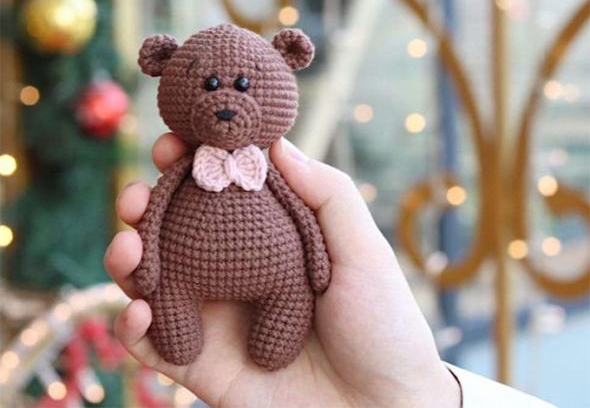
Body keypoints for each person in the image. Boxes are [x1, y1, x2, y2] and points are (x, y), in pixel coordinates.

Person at [105, 133, 556, 408]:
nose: (225, 103)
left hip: (281, 277)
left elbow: (300, 214)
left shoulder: (272, 170)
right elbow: (156, 209)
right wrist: (153, 267)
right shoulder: (184, 171)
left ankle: (276, 326)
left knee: (289, 295)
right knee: (168, 308)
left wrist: (320, 267)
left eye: (242, 86)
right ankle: (179, 321)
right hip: (184, 275)